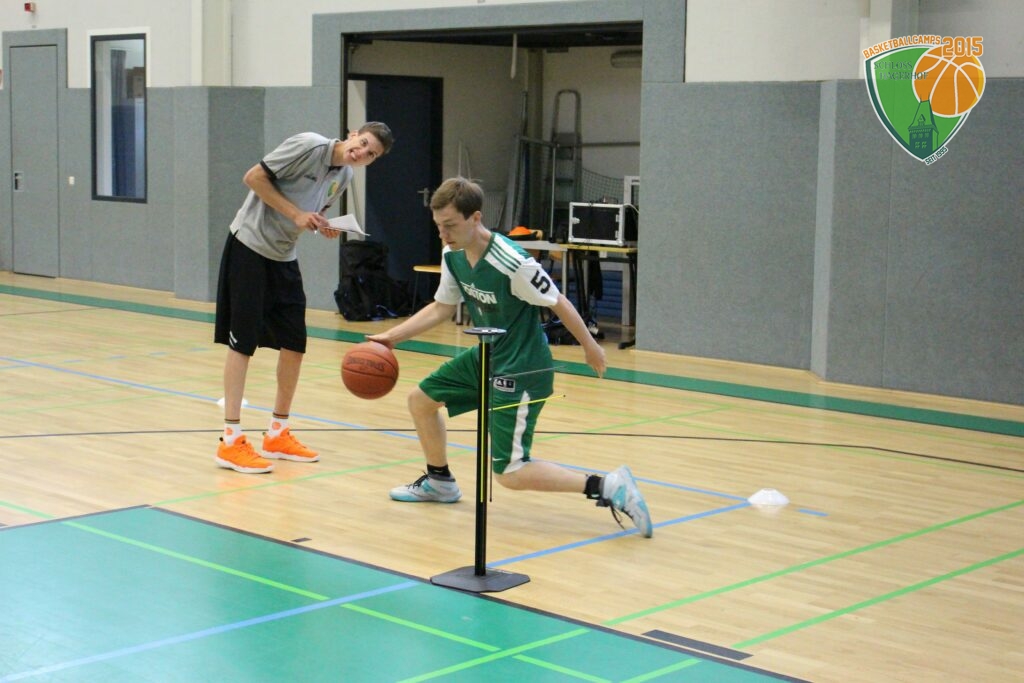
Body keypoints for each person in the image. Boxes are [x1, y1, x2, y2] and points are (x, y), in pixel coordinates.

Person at [368, 177, 652, 537]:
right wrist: (392, 337)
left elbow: (559, 302)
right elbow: (442, 307)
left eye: (450, 225)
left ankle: (608, 486)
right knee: (420, 401)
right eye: (438, 226)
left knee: (510, 473)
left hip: (522, 367)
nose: (443, 234)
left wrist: (591, 347)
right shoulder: (452, 253)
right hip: (488, 355)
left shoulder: (512, 262)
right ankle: (440, 482)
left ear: (475, 218)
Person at [214, 123, 394, 474]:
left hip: (283, 256)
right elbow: (253, 177)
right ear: (353, 134)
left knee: (295, 343)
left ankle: (277, 433)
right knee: (243, 343)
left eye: (371, 154)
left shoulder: (344, 176)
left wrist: (321, 224)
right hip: (249, 246)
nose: (361, 153)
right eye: (363, 143)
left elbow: (307, 211)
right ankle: (230, 441)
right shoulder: (308, 146)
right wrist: (296, 214)